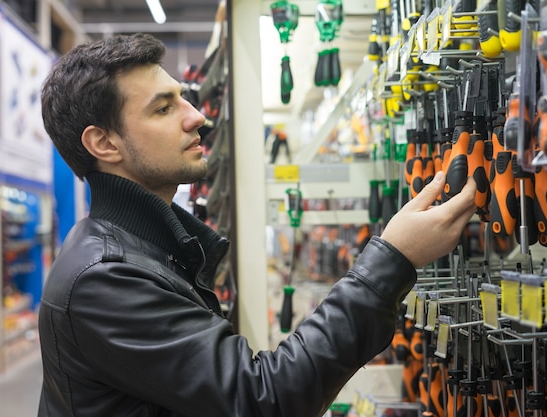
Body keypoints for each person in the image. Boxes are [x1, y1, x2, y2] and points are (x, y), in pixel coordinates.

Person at [37, 32, 477, 417]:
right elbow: (262, 399)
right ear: (103, 142)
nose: (196, 117)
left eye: (184, 98)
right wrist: (393, 259)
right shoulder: (104, 278)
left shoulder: (148, 251)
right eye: (163, 109)